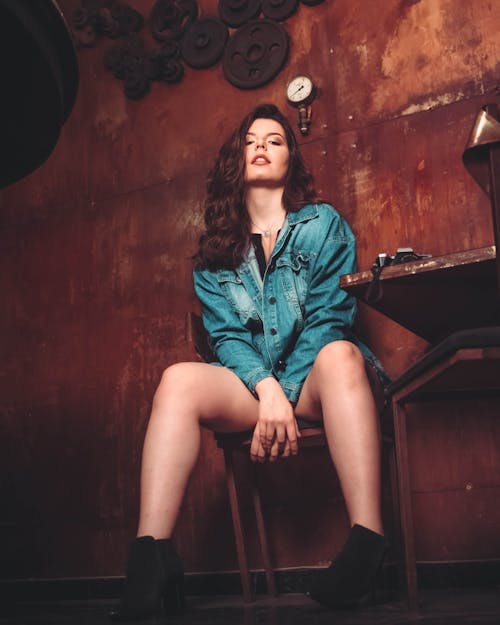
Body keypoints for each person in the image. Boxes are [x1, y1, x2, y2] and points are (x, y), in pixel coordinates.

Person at [110, 103, 389, 622]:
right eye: (250, 140)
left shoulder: (321, 224)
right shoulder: (215, 251)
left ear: (291, 160)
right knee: (177, 380)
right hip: (256, 389)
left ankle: (368, 542)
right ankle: (151, 556)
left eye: (276, 140)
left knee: (342, 352)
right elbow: (226, 338)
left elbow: (331, 316)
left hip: (317, 383)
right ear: (236, 160)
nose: (261, 145)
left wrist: (283, 391)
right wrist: (265, 389)